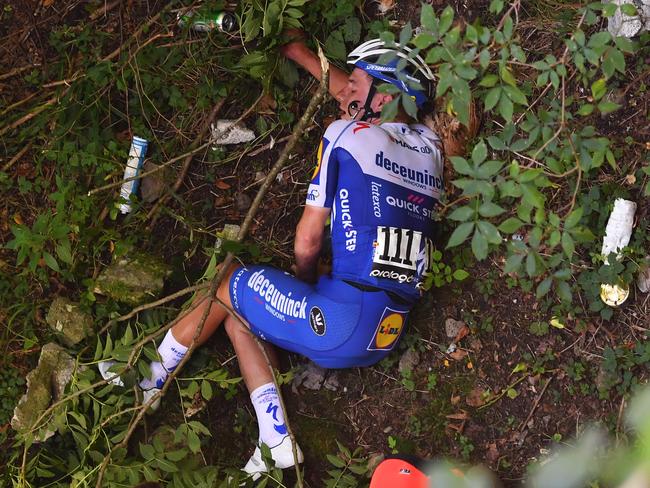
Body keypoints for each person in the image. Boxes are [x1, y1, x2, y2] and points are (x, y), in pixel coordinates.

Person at [99, 35, 444, 481]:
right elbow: (360, 96)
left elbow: (306, 240)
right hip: (385, 334)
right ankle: (276, 439)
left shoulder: (344, 135)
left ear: (387, 94)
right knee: (242, 314)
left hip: (339, 321)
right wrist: (298, 52)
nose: (346, 94)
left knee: (228, 281)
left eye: (357, 86)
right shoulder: (431, 149)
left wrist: (306, 278)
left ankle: (148, 379)